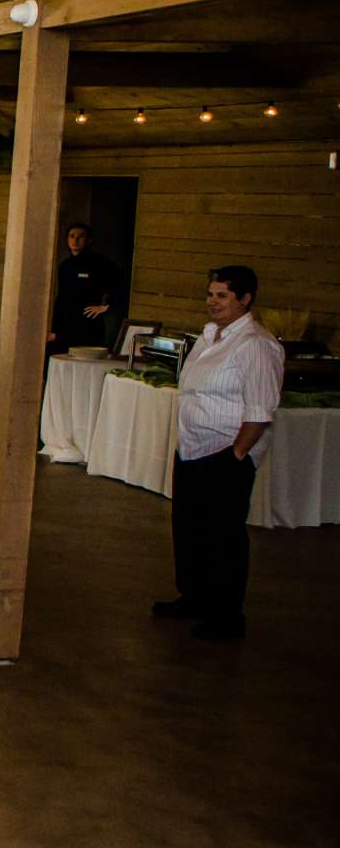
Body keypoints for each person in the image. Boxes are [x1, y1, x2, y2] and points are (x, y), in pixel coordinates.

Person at [154, 265, 283, 642]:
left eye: (222, 295)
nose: (213, 302)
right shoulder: (209, 337)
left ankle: (227, 614)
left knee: (223, 536)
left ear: (245, 299)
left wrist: (237, 455)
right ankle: (193, 597)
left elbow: (260, 410)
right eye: (210, 294)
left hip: (225, 453)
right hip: (192, 449)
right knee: (189, 529)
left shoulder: (256, 345)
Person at [48, 222, 126, 353]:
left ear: (89, 240)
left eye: (81, 236)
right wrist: (54, 329)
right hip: (66, 326)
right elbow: (61, 298)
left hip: (88, 324)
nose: (75, 240)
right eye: (72, 236)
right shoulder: (65, 266)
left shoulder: (100, 262)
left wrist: (106, 306)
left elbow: (120, 284)